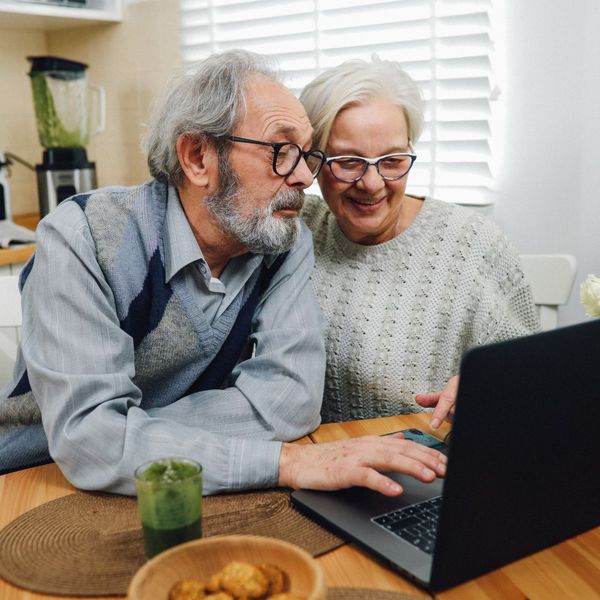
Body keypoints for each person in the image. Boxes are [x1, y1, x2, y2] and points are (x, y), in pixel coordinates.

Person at [0, 50, 446, 498]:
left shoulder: (283, 243)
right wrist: (283, 460)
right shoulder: (83, 237)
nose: (304, 179)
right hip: (38, 480)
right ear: (198, 157)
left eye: (305, 155)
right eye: (281, 151)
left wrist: (127, 435)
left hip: (191, 482)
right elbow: (87, 443)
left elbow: (292, 401)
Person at [299, 57, 541, 427]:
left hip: (434, 462)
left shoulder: (473, 244)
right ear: (313, 161)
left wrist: (490, 385)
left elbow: (531, 378)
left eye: (393, 160)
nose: (372, 183)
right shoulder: (297, 229)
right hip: (323, 458)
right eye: (348, 162)